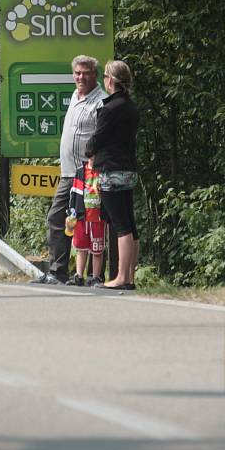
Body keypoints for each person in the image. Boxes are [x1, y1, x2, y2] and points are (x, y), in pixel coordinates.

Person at [33, 55, 106, 285]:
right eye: (77, 73)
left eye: (85, 73)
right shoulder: (75, 95)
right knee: (59, 219)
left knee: (95, 223)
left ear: (95, 74)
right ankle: (58, 272)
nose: (80, 77)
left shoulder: (101, 102)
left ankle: (97, 276)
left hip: (89, 175)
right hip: (69, 173)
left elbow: (103, 137)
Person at [85, 60, 140, 290]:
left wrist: (89, 151)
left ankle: (120, 277)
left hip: (111, 170)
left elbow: (98, 138)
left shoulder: (109, 109)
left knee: (120, 225)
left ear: (112, 80)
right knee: (130, 223)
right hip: (128, 168)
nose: (104, 81)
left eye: (105, 77)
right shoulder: (131, 107)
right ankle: (130, 277)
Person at [66, 159, 105, 286]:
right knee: (81, 248)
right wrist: (71, 212)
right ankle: (79, 275)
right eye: (92, 156)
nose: (94, 159)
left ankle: (96, 277)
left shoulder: (103, 172)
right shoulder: (80, 172)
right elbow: (74, 193)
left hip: (98, 218)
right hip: (82, 216)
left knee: (97, 250)